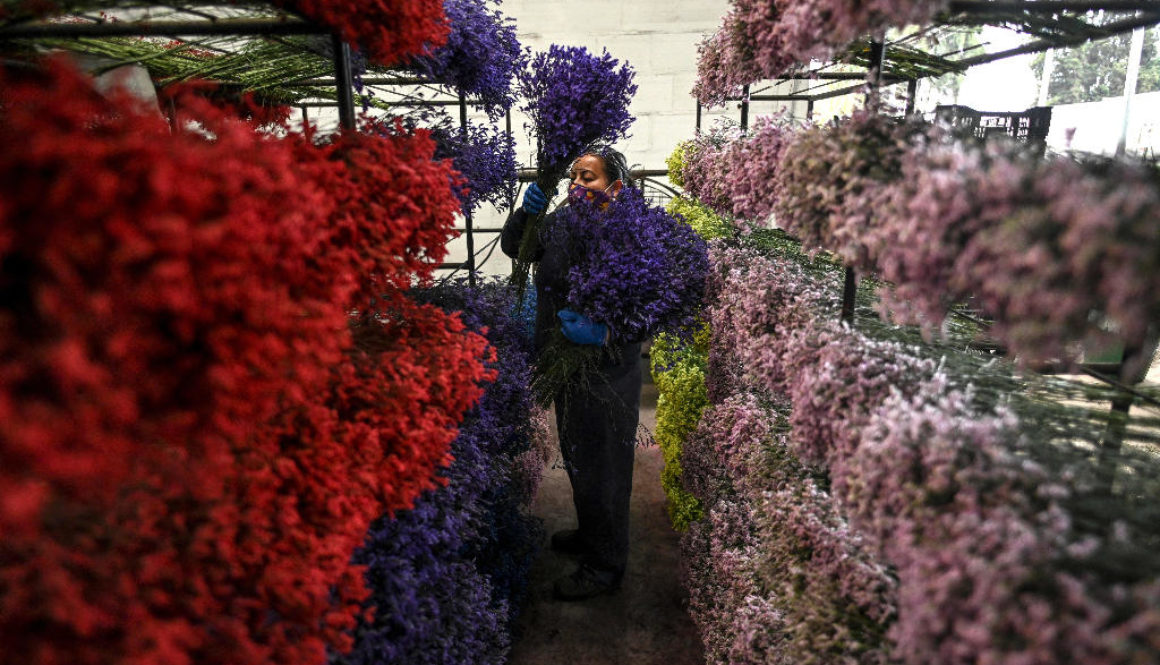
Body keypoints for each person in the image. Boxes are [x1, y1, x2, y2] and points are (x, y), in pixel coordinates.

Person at [501, 148, 641, 601]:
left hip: (606, 372)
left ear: (615, 187)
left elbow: (655, 304)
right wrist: (525, 215)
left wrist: (605, 333)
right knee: (579, 455)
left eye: (591, 177)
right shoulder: (560, 223)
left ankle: (605, 566)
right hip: (565, 368)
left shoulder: (631, 234)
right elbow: (516, 248)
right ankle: (590, 534)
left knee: (605, 469)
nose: (579, 185)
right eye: (575, 177)